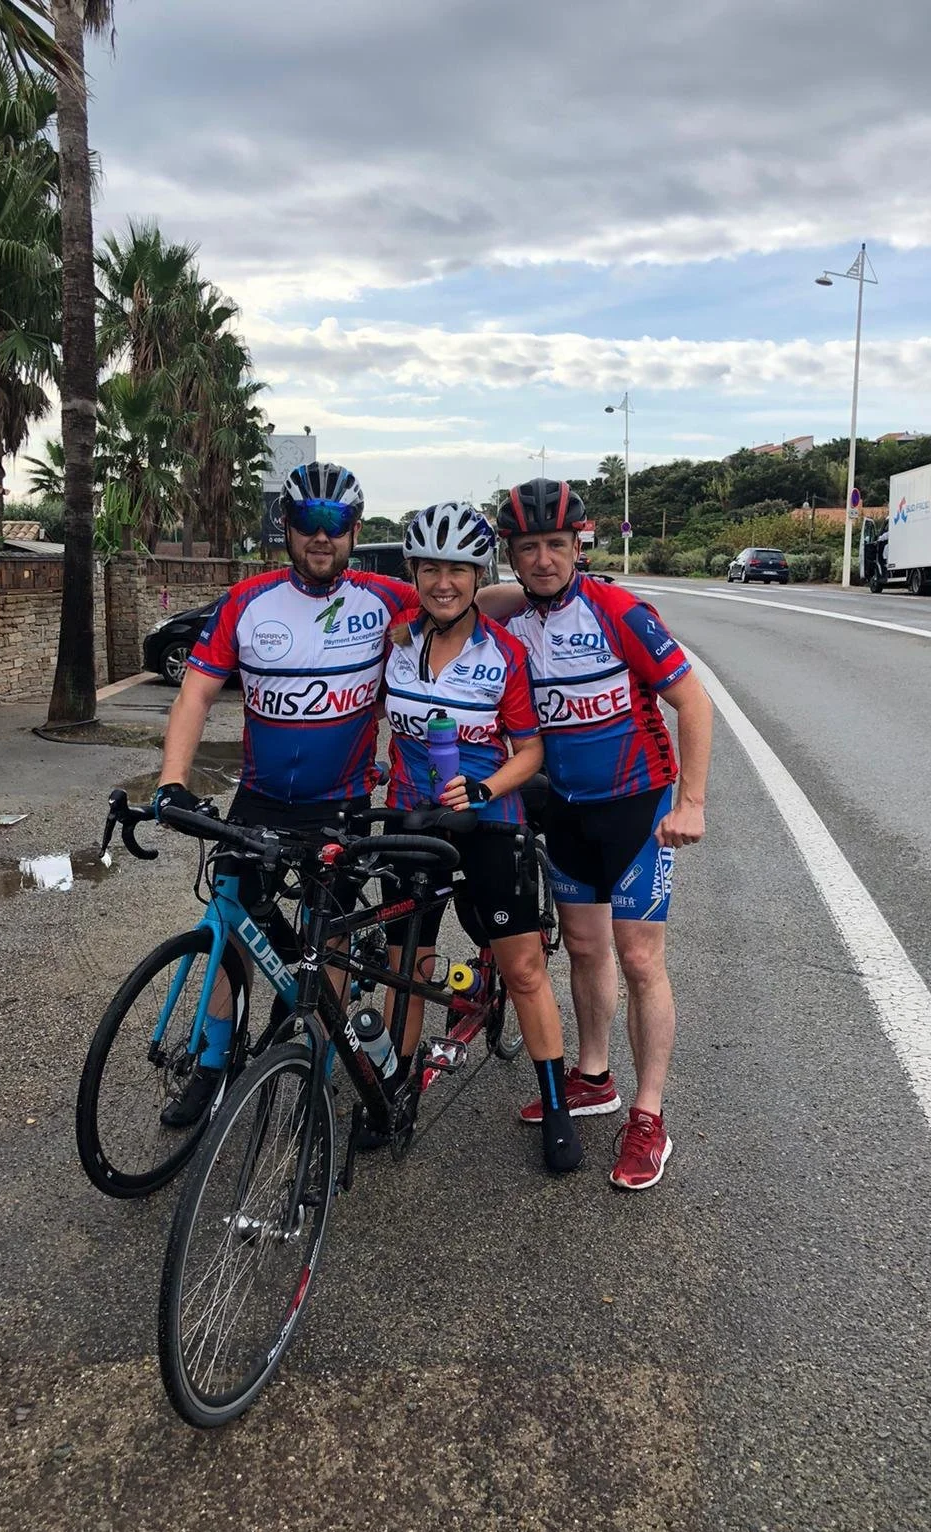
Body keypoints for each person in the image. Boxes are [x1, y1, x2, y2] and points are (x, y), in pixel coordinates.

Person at [152, 461, 416, 1123]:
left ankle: (313, 1063)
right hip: (262, 799)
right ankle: (211, 1066)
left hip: (344, 801)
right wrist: (172, 781)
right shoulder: (247, 602)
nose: (321, 537)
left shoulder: (388, 603)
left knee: (322, 941)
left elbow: (463, 600)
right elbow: (196, 693)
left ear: (356, 530)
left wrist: (540, 590)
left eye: (336, 524)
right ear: (285, 527)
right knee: (231, 929)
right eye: (307, 522)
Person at [497, 478, 714, 1191]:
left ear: (578, 545)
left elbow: (692, 700)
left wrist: (692, 801)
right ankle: (594, 1077)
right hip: (564, 810)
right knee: (585, 948)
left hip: (638, 808)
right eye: (527, 547)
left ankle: (649, 1119)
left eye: (555, 544)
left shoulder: (620, 611)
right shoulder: (511, 624)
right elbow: (457, 601)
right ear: (512, 554)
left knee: (640, 958)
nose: (543, 559)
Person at [380, 502, 583, 1175]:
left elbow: (529, 750)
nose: (443, 582)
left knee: (523, 967)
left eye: (458, 570)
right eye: (430, 568)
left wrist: (487, 790)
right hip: (413, 820)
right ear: (413, 572)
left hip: (490, 821)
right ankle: (395, 1086)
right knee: (407, 966)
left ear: (478, 576)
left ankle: (555, 1105)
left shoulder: (505, 655)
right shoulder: (397, 643)